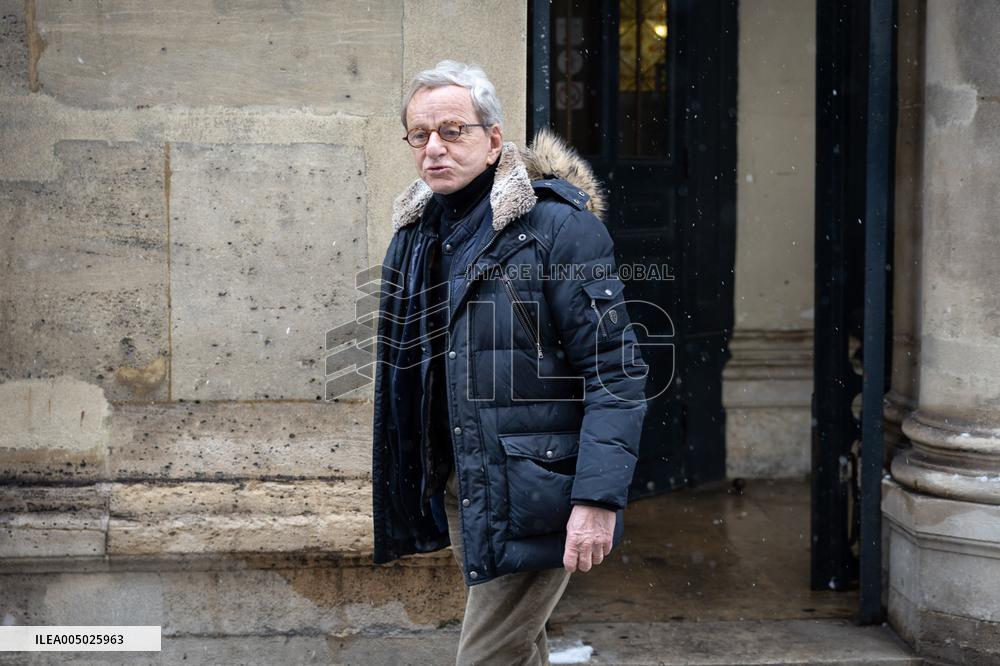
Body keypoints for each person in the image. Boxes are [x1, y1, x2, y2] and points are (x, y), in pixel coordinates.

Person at [371, 60, 648, 665]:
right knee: (518, 648)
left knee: (488, 656)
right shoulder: (417, 234)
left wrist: (597, 501)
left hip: (535, 489)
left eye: (453, 130)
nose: (434, 148)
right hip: (464, 485)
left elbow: (615, 371)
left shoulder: (556, 229)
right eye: (420, 134)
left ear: (495, 140)